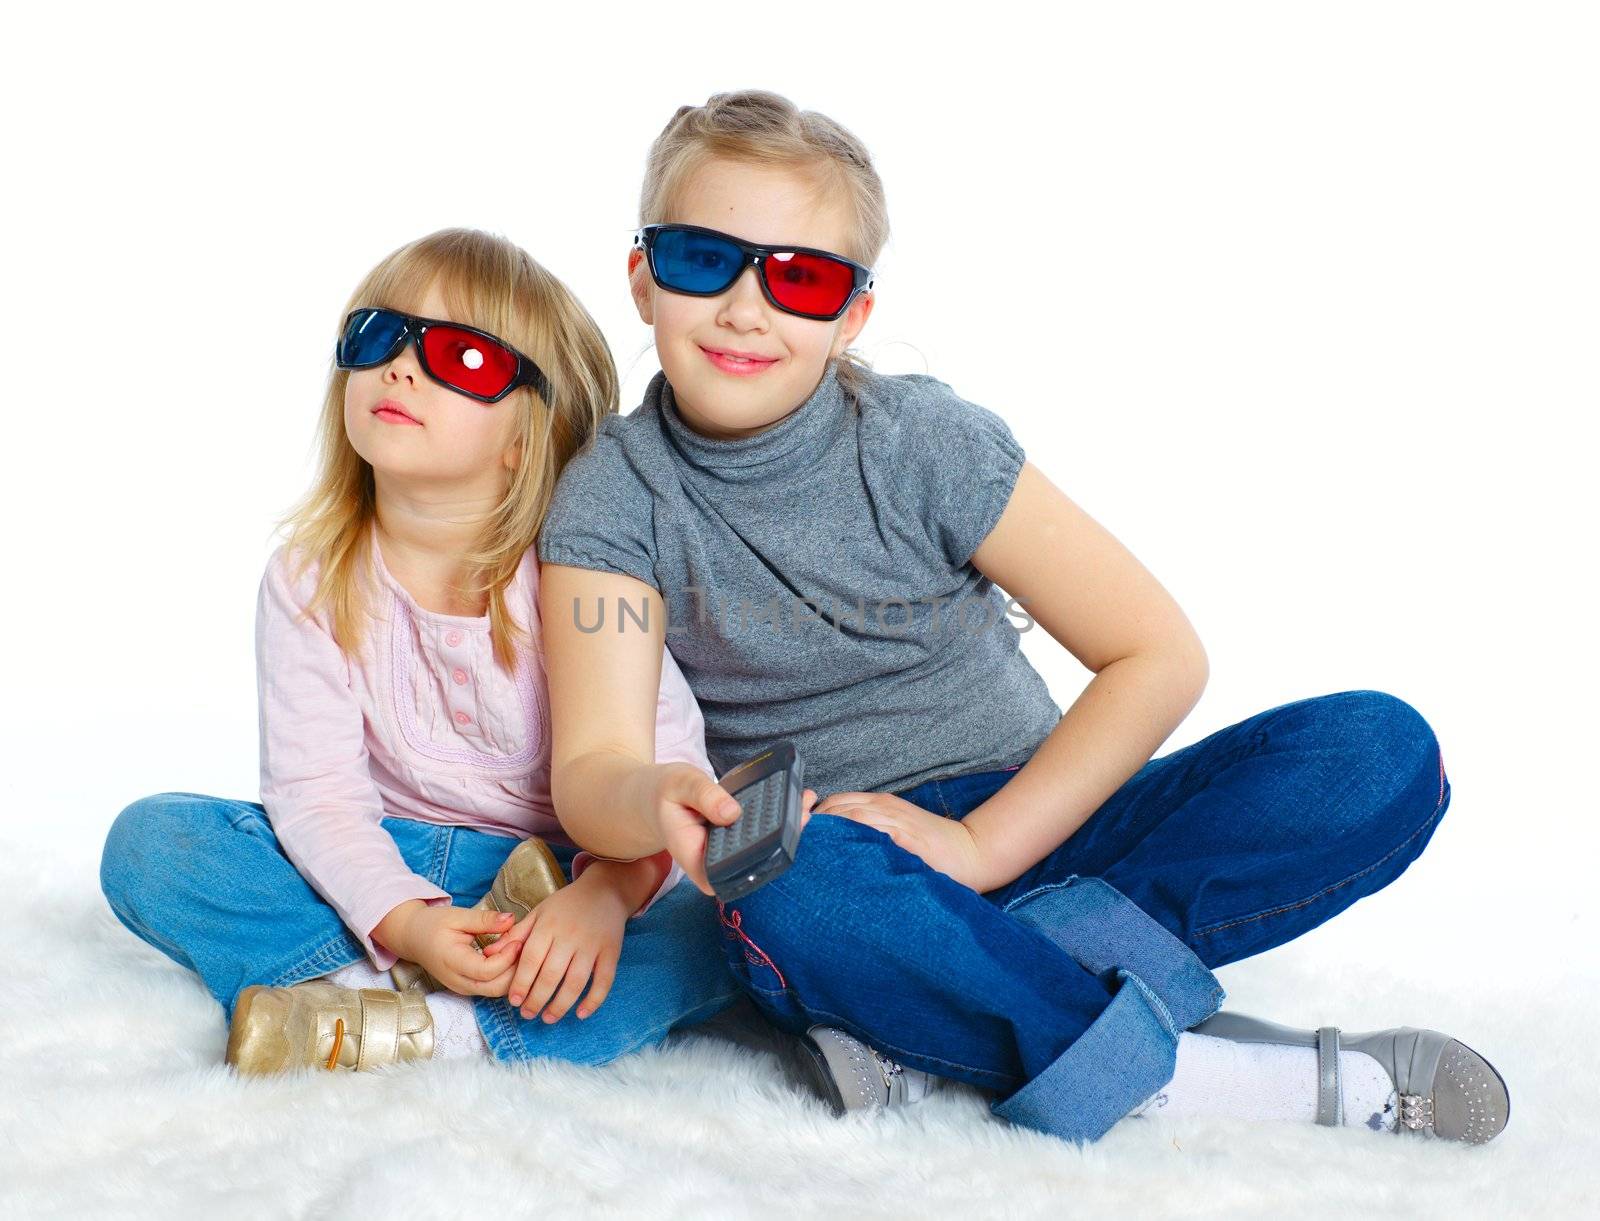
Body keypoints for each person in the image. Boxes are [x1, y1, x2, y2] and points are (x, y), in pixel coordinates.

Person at [529, 90, 1510, 1145]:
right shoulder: (609, 498)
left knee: (1377, 748)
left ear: (851, 313)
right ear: (641, 277)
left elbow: (1155, 654)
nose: (743, 306)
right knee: (785, 891)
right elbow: (592, 768)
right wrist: (658, 795)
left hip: (1048, 817)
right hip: (848, 858)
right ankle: (1208, 1078)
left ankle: (943, 1017)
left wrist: (979, 847)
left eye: (799, 277)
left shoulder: (924, 441)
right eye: (700, 259)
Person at [99, 227, 750, 1073]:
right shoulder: (310, 577)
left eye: (463, 358)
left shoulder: (588, 579)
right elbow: (317, 797)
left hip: (571, 871)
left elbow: (668, 776)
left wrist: (605, 894)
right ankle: (356, 984)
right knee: (150, 842)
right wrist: (407, 917)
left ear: (526, 438)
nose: (399, 368)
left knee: (722, 922)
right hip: (386, 852)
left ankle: (447, 1038)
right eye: (378, 337)